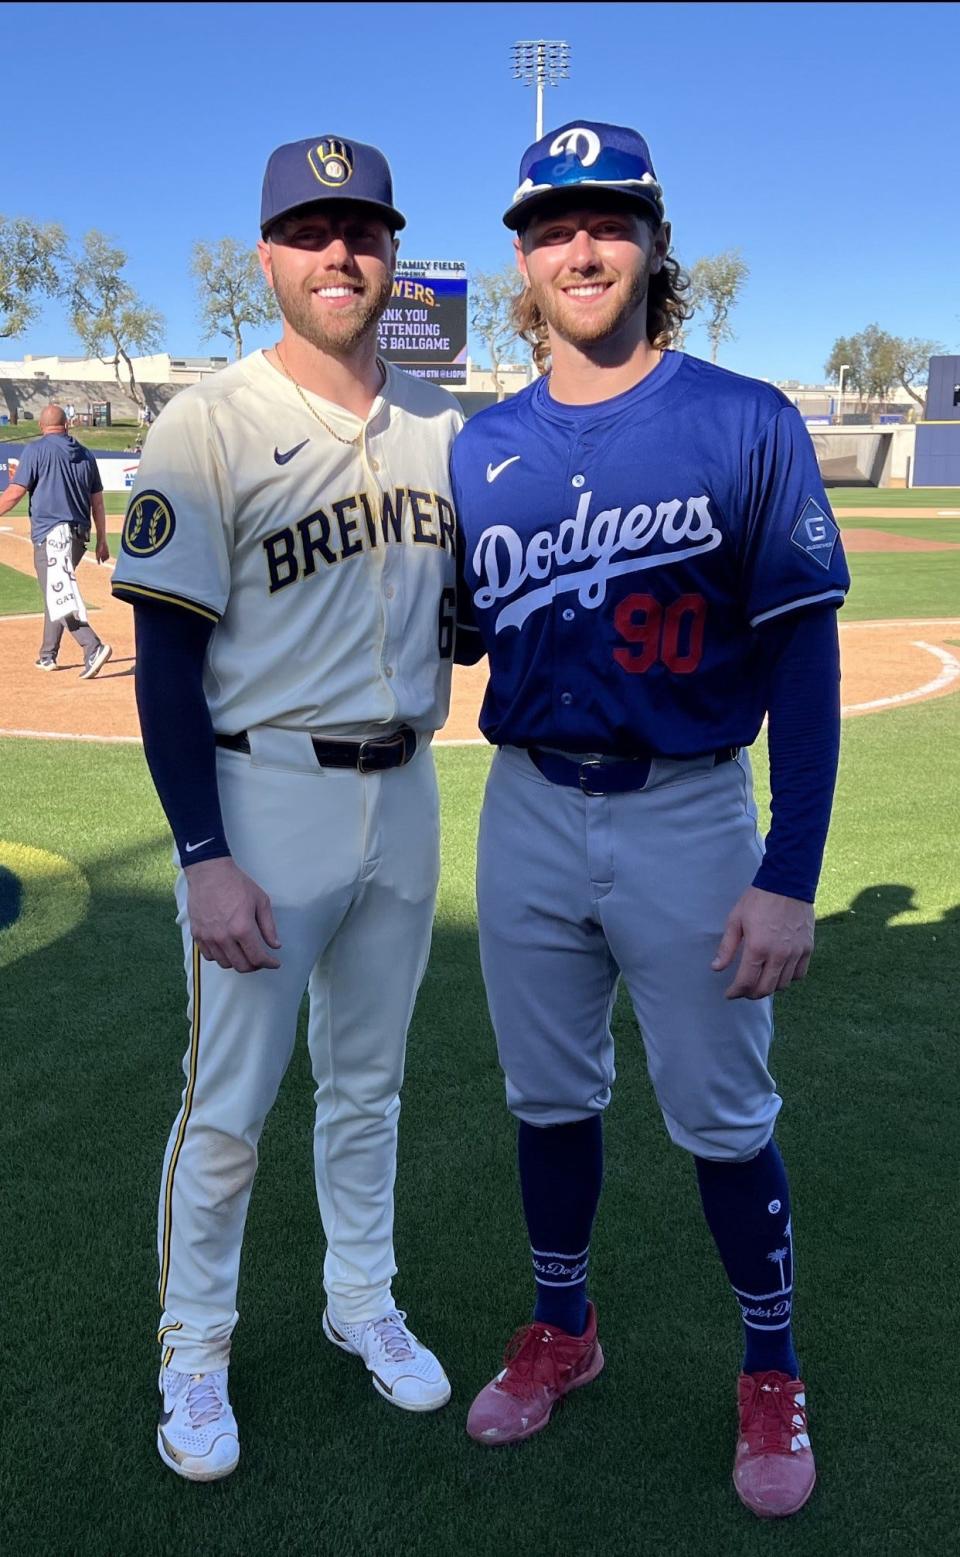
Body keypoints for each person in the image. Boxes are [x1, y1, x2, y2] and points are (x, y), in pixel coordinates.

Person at [450, 121, 850, 1519]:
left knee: (726, 1114)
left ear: (652, 242)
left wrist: (789, 869)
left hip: (688, 809)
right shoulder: (480, 446)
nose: (581, 244)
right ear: (521, 256)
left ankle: (771, 1364)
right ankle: (564, 1328)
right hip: (527, 808)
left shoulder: (746, 419)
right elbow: (442, 628)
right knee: (545, 1097)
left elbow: (804, 656)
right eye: (553, 223)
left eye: (607, 218)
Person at [111, 133, 462, 1482]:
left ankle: (359, 1297)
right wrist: (200, 852)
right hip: (264, 797)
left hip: (408, 788)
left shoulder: (446, 425)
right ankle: (194, 1352)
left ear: (392, 255)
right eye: (311, 232)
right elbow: (165, 658)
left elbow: (471, 615)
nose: (339, 254)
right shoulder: (206, 419)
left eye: (362, 230)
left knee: (369, 1085)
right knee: (231, 1105)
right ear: (267, 255)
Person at [0, 403, 112, 677]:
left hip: (52, 535)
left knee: (58, 593)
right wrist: (102, 540)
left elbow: (14, 493)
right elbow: (97, 502)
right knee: (56, 591)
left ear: (41, 426)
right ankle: (47, 654)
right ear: (67, 425)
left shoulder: (36, 450)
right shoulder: (85, 454)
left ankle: (92, 646)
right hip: (77, 536)